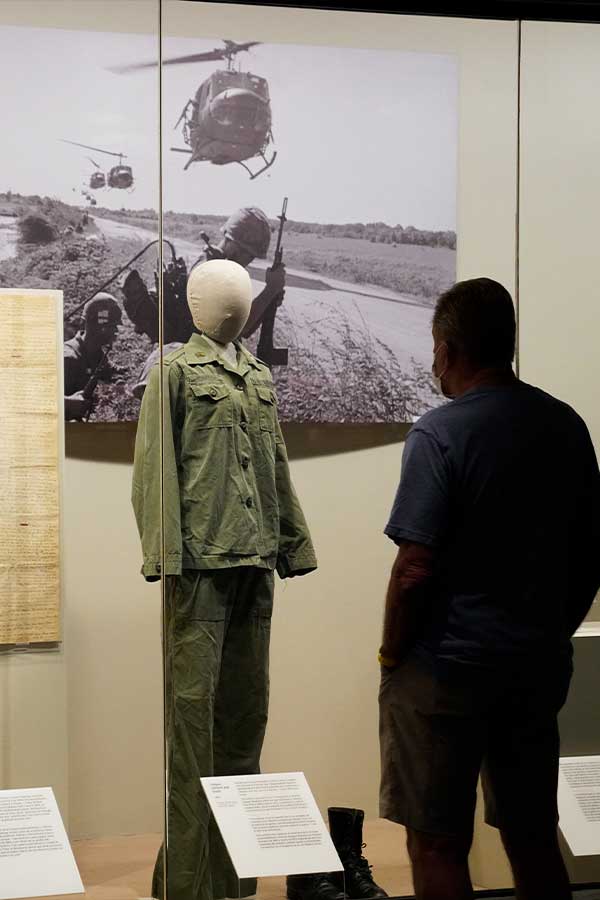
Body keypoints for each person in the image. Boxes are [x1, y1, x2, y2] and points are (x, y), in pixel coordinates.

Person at [378, 277, 600, 900]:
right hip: (533, 667)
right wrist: (551, 632)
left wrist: (391, 652)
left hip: (445, 671)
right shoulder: (565, 425)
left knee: (437, 842)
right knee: (532, 835)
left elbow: (414, 567)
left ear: (448, 351)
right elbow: (592, 555)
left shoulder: (439, 432)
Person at [132, 259, 317, 900]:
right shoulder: (174, 374)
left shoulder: (257, 376)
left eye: (242, 295)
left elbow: (276, 463)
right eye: (221, 294)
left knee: (244, 728)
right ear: (192, 303)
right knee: (191, 736)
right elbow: (154, 470)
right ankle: (187, 889)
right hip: (201, 569)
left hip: (254, 565)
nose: (234, 304)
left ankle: (231, 882)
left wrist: (293, 543)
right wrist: (166, 556)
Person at [123, 206, 285, 399]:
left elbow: (244, 330)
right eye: (247, 254)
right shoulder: (209, 270)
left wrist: (268, 302)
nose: (248, 261)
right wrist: (270, 290)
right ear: (233, 243)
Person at [63, 293, 122, 420]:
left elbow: (114, 374)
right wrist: (67, 402)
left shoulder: (99, 356)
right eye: (113, 326)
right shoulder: (68, 358)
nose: (115, 331)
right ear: (100, 328)